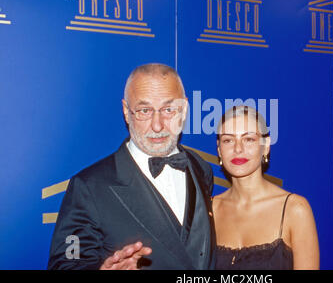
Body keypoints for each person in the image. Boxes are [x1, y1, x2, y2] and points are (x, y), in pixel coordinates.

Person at [48, 63, 215, 270]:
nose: (157, 125)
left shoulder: (200, 168)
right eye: (145, 110)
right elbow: (66, 263)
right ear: (126, 112)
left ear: (184, 109)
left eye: (169, 109)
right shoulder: (88, 187)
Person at [212, 106, 319, 270]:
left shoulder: (294, 209)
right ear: (219, 150)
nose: (238, 148)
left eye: (249, 139)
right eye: (228, 140)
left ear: (266, 145)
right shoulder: (209, 210)